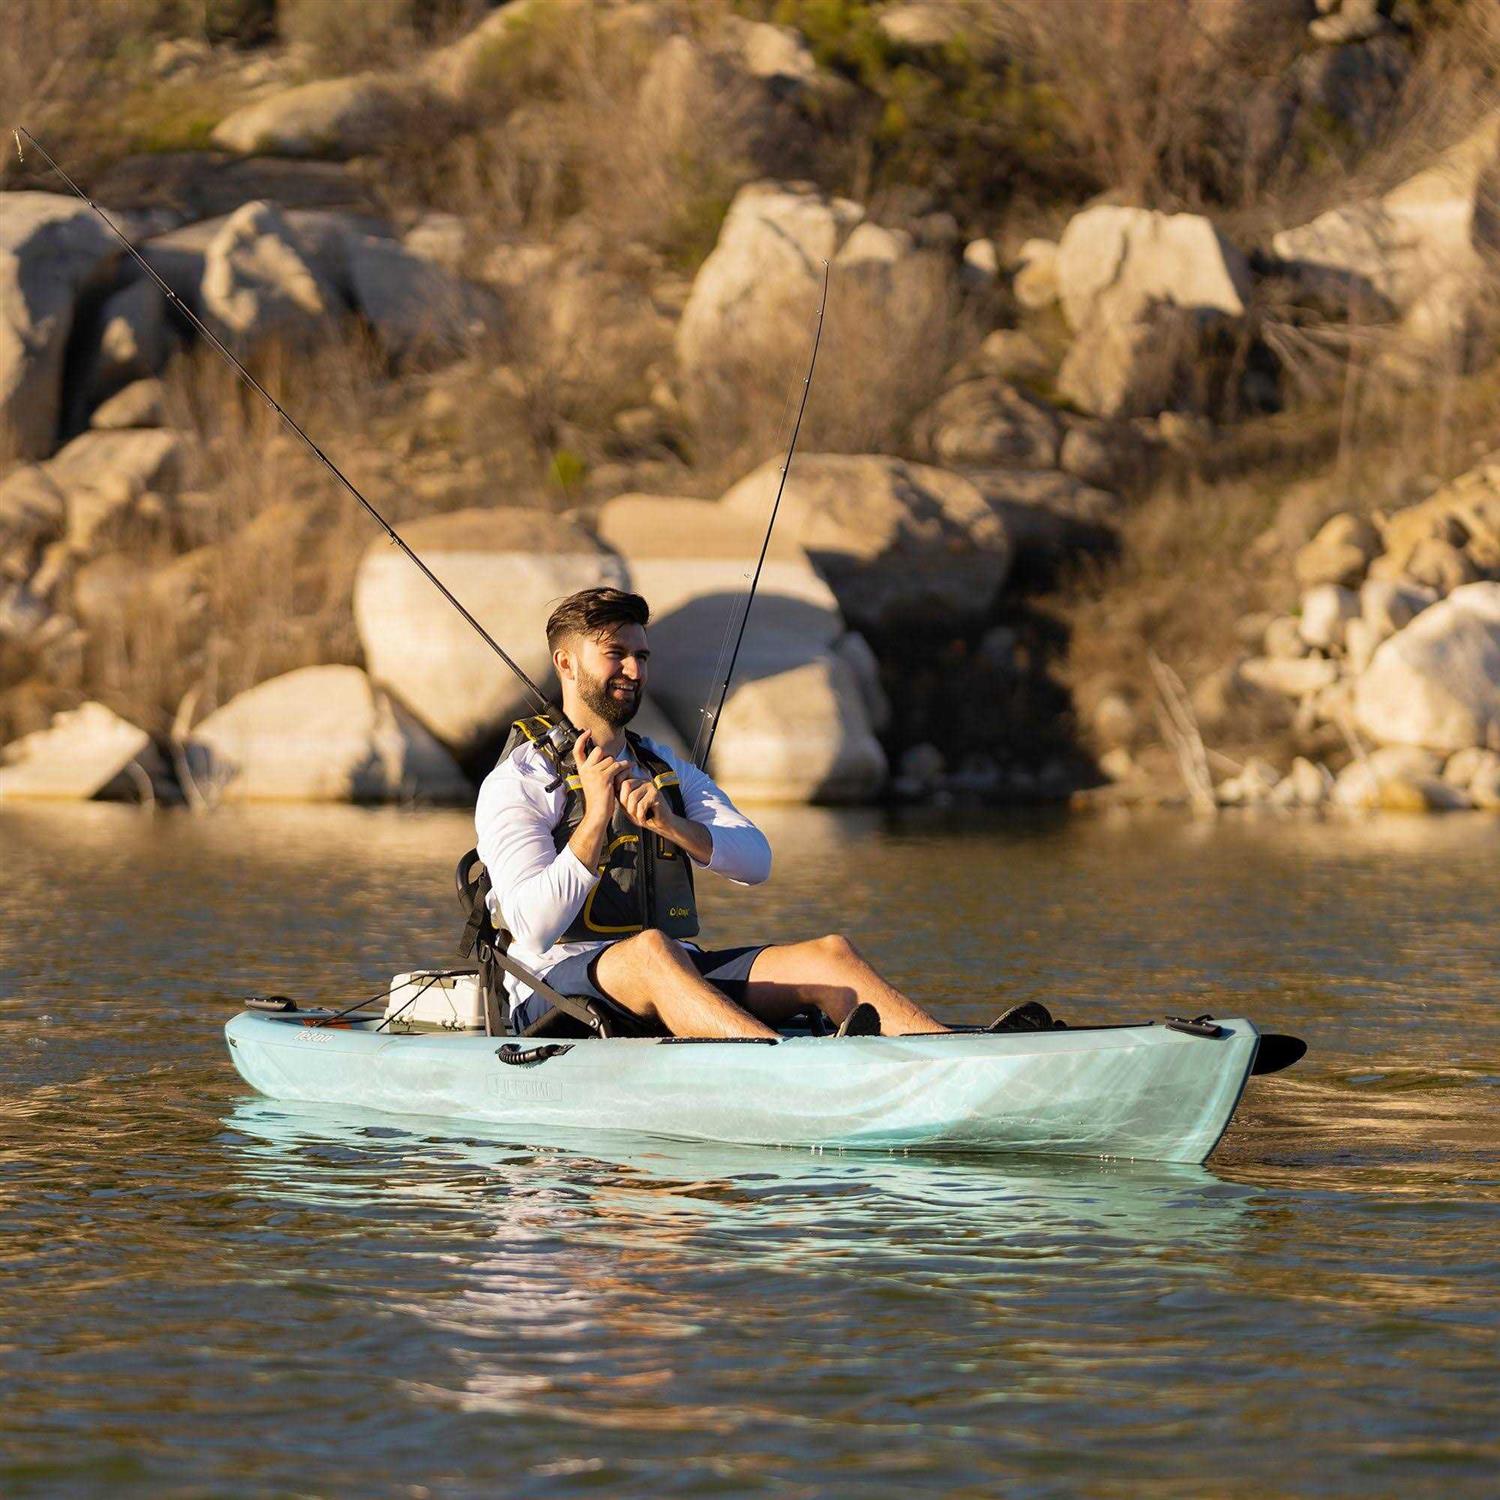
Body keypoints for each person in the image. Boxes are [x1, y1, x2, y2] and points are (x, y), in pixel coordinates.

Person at [474, 586, 953, 1040]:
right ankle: (786, 1073)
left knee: (830, 956)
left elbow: (756, 862)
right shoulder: (519, 781)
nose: (635, 672)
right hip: (552, 991)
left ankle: (949, 1055)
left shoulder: (666, 768)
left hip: (672, 970)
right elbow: (532, 928)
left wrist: (673, 825)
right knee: (652, 951)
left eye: (641, 656)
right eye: (615, 654)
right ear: (566, 663)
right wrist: (597, 816)